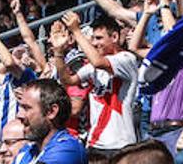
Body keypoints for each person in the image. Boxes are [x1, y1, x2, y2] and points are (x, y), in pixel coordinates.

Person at [50, 11, 140, 154]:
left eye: (99, 38)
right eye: (92, 38)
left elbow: (98, 62)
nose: (94, 43)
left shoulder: (126, 59)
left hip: (120, 143)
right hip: (95, 143)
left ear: (115, 37)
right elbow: (68, 80)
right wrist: (58, 52)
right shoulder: (93, 67)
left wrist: (76, 30)